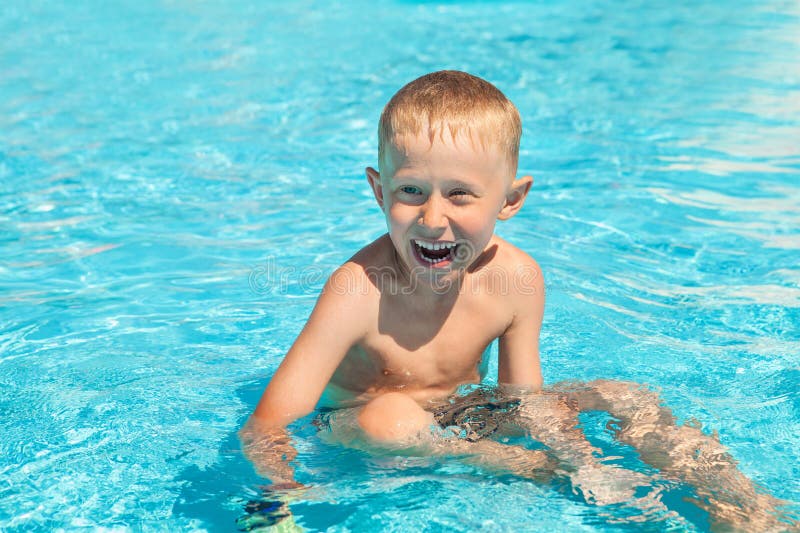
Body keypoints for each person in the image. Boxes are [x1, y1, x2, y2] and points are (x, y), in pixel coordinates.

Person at [240, 71, 794, 530]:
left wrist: (582, 458)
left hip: (464, 415)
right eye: (411, 191)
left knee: (626, 395)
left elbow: (523, 400)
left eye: (460, 193)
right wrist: (273, 504)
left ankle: (745, 511)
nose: (434, 219)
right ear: (380, 191)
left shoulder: (517, 279)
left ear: (510, 200)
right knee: (391, 416)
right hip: (359, 424)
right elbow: (268, 424)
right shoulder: (355, 289)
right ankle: (535, 474)